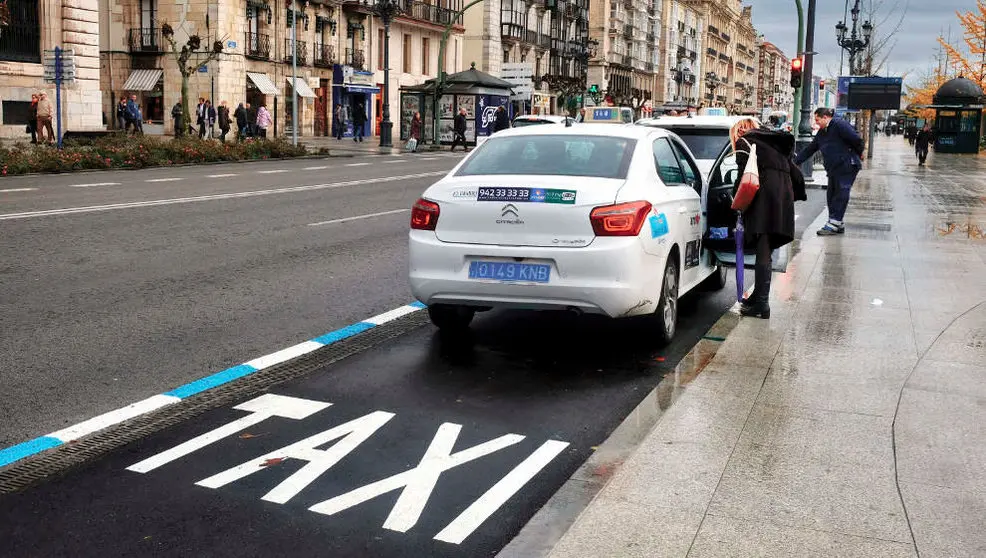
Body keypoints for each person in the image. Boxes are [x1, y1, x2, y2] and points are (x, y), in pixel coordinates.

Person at [731, 118, 806, 319]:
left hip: (764, 198)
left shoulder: (744, 142)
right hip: (782, 197)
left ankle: (762, 305)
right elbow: (795, 173)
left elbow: (742, 176)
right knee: (767, 248)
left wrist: (734, 201)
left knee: (763, 249)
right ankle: (758, 297)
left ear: (739, 131)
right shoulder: (774, 142)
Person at [793, 107, 864, 236]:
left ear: (826, 117)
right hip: (834, 167)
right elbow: (811, 148)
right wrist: (795, 162)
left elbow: (856, 140)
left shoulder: (839, 125)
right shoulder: (822, 132)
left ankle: (834, 222)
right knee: (832, 194)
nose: (816, 123)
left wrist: (858, 154)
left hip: (846, 164)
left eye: (817, 119)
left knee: (841, 193)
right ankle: (837, 222)